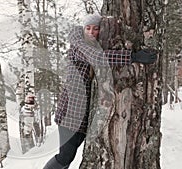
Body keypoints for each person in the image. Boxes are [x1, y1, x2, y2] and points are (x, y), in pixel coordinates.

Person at [43, 13, 157, 169]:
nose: (91, 32)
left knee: (68, 157)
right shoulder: (78, 46)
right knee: (65, 156)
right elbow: (98, 58)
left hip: (82, 116)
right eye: (88, 28)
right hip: (69, 114)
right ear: (83, 30)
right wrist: (133, 57)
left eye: (95, 29)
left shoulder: (91, 45)